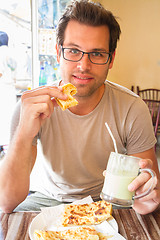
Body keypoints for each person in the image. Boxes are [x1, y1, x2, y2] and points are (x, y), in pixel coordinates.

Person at [0, 0, 159, 214]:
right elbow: (6, 202)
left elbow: (146, 189)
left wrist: (146, 194)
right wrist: (23, 134)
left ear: (111, 59)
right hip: (46, 199)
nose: (83, 66)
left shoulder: (132, 108)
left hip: (106, 200)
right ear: (58, 53)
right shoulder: (29, 107)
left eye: (97, 54)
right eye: (73, 51)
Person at [0, 31, 17, 157]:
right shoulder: (11, 53)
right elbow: (15, 69)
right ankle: (8, 147)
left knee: (3, 118)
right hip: (10, 87)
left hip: (2, 87)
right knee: (9, 116)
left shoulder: (1, 53)